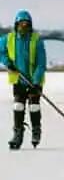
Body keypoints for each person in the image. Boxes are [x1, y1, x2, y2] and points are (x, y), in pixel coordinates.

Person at [3, 10, 48, 150]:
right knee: (18, 106)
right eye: (21, 24)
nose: (23, 27)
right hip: (19, 80)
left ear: (30, 25)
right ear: (16, 25)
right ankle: (17, 134)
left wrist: (36, 82)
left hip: (34, 81)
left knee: (34, 106)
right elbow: (0, 51)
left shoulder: (36, 40)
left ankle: (36, 130)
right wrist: (7, 62)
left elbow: (41, 63)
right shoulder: (9, 38)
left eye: (26, 24)